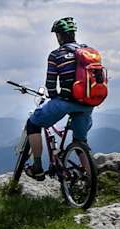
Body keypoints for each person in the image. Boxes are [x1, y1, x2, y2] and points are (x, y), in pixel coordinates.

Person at [24, 17, 93, 180]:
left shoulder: (56, 54)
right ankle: (91, 181)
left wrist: (55, 97)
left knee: (33, 124)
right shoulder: (88, 52)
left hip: (65, 103)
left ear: (59, 36)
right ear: (73, 34)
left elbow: (50, 84)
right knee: (80, 142)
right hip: (87, 104)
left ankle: (37, 167)